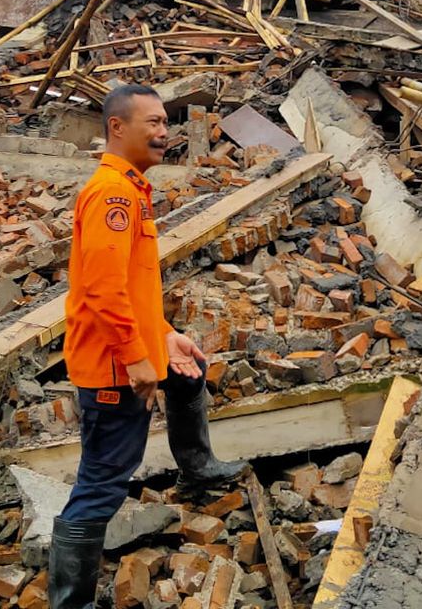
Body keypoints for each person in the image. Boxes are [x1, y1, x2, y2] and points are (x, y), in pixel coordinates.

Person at [48, 84, 249, 609]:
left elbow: (132, 283)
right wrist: (137, 358)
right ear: (118, 128)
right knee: (104, 479)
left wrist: (162, 334)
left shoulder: (132, 189)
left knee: (188, 374)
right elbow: (102, 288)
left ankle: (198, 470)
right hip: (112, 366)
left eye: (166, 123)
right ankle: (70, 601)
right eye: (153, 123)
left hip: (133, 344)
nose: (165, 133)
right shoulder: (112, 195)